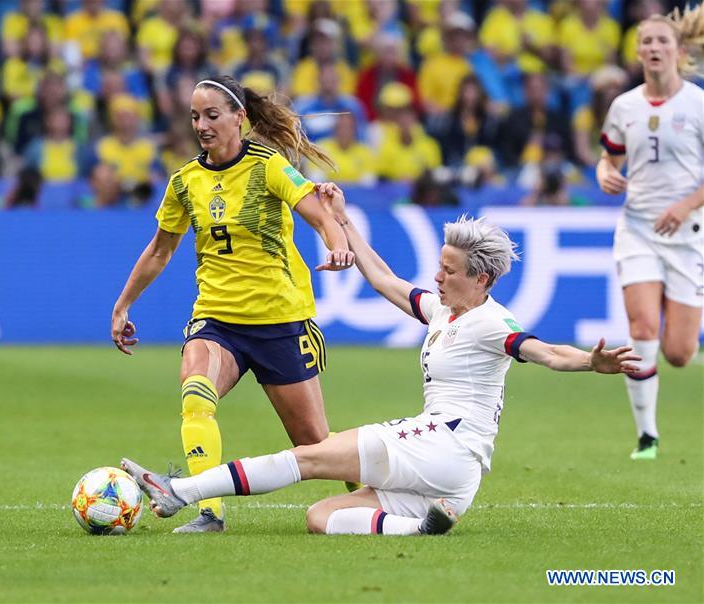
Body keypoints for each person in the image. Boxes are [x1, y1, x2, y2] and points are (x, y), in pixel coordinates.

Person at [122, 192, 641, 536]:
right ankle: (422, 528)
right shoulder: (442, 309)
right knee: (320, 517)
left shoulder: (490, 322)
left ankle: (181, 492)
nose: (437, 278)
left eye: (449, 271)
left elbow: (546, 352)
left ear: (481, 280)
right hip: (453, 480)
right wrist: (343, 221)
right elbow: (384, 281)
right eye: (438, 266)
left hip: (446, 442)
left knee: (312, 457)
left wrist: (592, 363)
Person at [111, 75, 355, 533]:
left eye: (211, 115)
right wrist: (123, 304)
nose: (201, 125)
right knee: (195, 393)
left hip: (279, 321)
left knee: (315, 443)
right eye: (194, 116)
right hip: (217, 320)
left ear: (239, 118)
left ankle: (387, 490)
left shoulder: (269, 167)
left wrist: (337, 244)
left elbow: (320, 215)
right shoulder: (185, 181)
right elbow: (160, 249)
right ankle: (209, 513)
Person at [596, 5, 704, 460]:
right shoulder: (624, 106)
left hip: (689, 233)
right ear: (638, 51)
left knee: (678, 352)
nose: (654, 48)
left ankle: (672, 332)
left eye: (662, 41)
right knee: (641, 327)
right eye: (647, 42)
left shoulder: (698, 104)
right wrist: (604, 171)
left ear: (679, 52)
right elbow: (609, 158)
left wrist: (685, 205)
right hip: (637, 228)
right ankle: (647, 437)